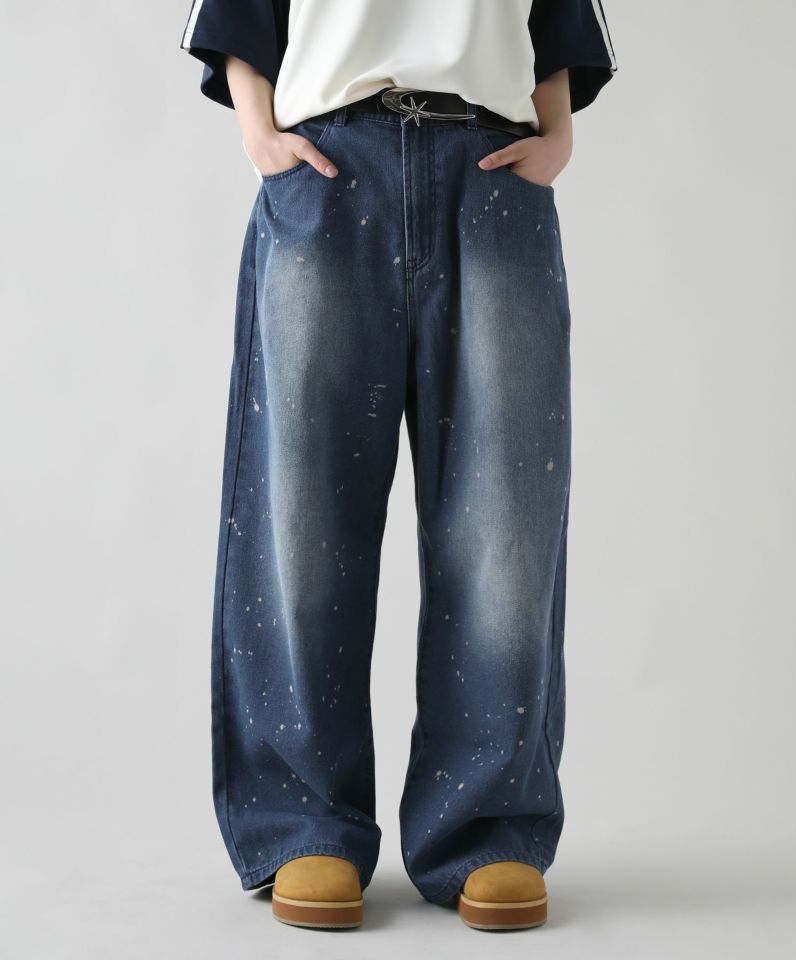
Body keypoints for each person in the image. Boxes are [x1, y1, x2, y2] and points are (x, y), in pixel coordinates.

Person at [180, 0, 617, 932]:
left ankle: (488, 824)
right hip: (328, 168)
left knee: (506, 517)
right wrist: (258, 130)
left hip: (492, 172)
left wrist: (557, 133)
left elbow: (560, 17)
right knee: (300, 512)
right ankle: (303, 821)